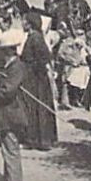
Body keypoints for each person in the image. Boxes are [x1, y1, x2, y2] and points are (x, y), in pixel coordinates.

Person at [0, 35, 30, 181]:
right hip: (8, 113)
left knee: (10, 149)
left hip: (11, 113)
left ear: (8, 50)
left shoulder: (16, 67)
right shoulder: (11, 66)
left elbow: (7, 91)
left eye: (3, 51)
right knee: (8, 149)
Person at [19, 11, 59, 150]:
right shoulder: (34, 37)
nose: (21, 23)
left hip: (36, 79)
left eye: (24, 21)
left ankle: (37, 140)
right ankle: (40, 139)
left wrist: (28, 67)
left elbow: (43, 59)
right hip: (34, 77)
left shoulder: (35, 38)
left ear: (29, 24)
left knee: (35, 107)